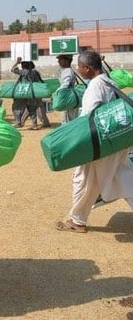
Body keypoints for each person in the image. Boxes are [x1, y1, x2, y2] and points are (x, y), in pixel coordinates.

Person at [55, 50, 133, 233]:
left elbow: (88, 117)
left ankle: (77, 220)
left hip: (99, 144)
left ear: (87, 68)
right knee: (112, 178)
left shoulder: (94, 87)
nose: (79, 70)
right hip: (114, 141)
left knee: (82, 179)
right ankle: (77, 220)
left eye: (80, 67)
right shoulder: (109, 81)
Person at [10, 58, 43, 129]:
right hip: (32, 92)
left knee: (17, 107)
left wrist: (17, 62)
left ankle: (18, 122)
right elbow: (39, 81)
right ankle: (34, 125)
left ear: (23, 65)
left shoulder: (24, 72)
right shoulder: (35, 72)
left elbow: (13, 70)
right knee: (31, 108)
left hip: (23, 91)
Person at [56, 54, 79, 123]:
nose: (58, 61)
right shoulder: (67, 70)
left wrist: (56, 93)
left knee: (67, 120)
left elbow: (65, 84)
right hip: (69, 98)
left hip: (67, 98)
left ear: (67, 60)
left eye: (60, 59)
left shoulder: (67, 71)